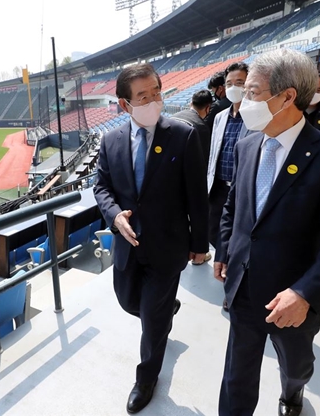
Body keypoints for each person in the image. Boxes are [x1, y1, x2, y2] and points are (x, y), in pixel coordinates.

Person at [214, 49, 320, 416]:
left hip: (295, 298)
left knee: (295, 365)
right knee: (237, 376)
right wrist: (225, 251)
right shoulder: (248, 143)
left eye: (252, 91)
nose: (243, 99)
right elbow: (234, 208)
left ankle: (293, 393)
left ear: (286, 97)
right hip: (244, 288)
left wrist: (304, 292)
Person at [93, 63, 209, 414]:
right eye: (143, 96)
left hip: (168, 247)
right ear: (125, 105)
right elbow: (101, 187)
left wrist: (200, 244)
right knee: (130, 304)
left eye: (157, 92)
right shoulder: (110, 140)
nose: (153, 100)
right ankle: (165, 308)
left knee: (153, 323)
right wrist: (114, 216)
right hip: (128, 246)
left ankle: (146, 378)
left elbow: (196, 196)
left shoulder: (183, 134)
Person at [206, 62, 252, 270]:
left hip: (242, 188)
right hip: (218, 187)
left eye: (240, 82)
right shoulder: (219, 117)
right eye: (229, 83)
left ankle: (235, 271)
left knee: (240, 233)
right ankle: (224, 263)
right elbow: (214, 152)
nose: (234, 87)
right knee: (215, 230)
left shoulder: (256, 117)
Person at [170, 89, 213, 168]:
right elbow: (202, 160)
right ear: (208, 108)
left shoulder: (173, 117)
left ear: (191, 103)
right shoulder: (201, 127)